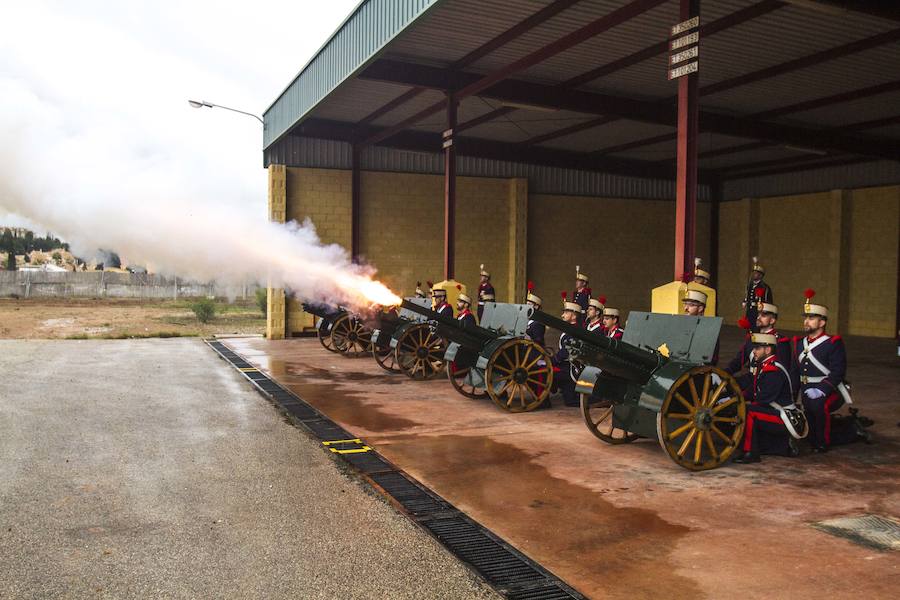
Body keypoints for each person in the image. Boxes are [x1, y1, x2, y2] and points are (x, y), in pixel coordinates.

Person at [792, 289, 865, 452]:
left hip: (830, 391)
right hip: (806, 391)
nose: (806, 321)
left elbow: (838, 372)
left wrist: (822, 389)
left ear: (822, 322)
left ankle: (833, 439)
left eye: (811, 318)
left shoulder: (833, 343)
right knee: (810, 424)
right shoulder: (798, 343)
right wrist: (792, 396)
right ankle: (841, 431)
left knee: (819, 409)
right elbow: (795, 372)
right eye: (806, 318)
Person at [733, 333, 802, 464]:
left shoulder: (773, 370)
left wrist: (738, 401)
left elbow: (763, 398)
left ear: (768, 350)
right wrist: (734, 397)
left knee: (749, 412)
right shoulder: (765, 366)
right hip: (774, 412)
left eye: (757, 348)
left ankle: (751, 453)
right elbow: (753, 390)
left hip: (784, 417)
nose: (754, 351)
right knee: (745, 408)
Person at [725, 302, 791, 391]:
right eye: (758, 314)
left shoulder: (780, 342)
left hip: (767, 383)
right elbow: (738, 361)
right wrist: (724, 373)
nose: (758, 318)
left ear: (772, 320)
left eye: (763, 315)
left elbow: (782, 371)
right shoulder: (752, 338)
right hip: (750, 380)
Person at [551, 293, 583, 407]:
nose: (562, 315)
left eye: (566, 312)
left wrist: (553, 360)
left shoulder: (574, 331)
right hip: (565, 365)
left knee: (570, 401)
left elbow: (566, 352)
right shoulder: (568, 329)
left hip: (570, 368)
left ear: (574, 316)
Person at [682, 289, 719, 364]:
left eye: (691, 305)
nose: (686, 308)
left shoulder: (709, 329)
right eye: (685, 304)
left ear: (700, 308)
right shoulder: (683, 324)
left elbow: (710, 358)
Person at [743, 257, 772, 325]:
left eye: (756, 273)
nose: (754, 274)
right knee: (749, 327)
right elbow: (747, 295)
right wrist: (745, 301)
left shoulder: (765, 287)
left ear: (760, 275)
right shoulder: (749, 285)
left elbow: (768, 301)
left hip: (758, 312)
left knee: (756, 327)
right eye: (753, 272)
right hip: (750, 310)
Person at [525, 282, 545, 347]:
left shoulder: (538, 324)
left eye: (529, 305)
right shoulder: (526, 320)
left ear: (536, 307)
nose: (526, 307)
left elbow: (538, 342)